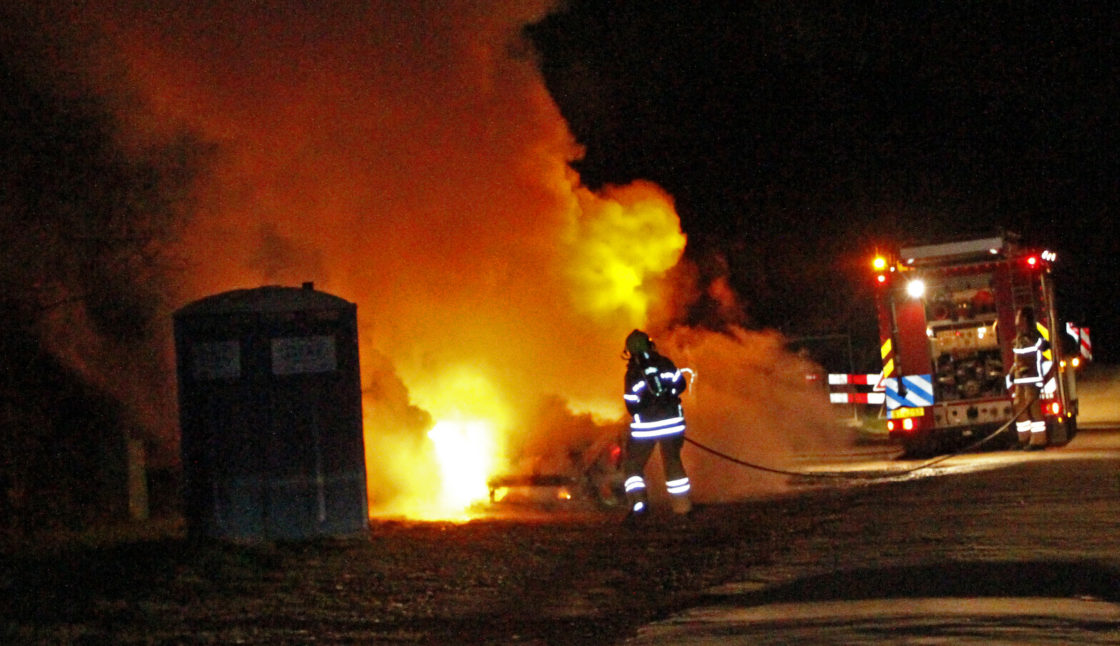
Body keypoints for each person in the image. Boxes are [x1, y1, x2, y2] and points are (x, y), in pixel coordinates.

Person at [620, 329, 692, 520]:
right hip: (673, 424)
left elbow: (631, 405)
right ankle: (682, 508)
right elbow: (681, 385)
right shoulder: (665, 363)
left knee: (633, 465)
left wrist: (646, 410)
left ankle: (639, 506)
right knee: (673, 462)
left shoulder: (632, 374)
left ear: (629, 351)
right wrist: (667, 398)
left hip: (645, 429)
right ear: (650, 344)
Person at [1009, 306, 1052, 450]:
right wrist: (1012, 371)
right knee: (1019, 406)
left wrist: (1043, 344)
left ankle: (1038, 441)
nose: (1016, 319)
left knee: (1034, 409)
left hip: (1032, 379)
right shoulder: (1019, 338)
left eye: (1018, 316)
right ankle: (1024, 438)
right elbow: (1019, 358)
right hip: (1020, 380)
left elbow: (1042, 348)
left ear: (1024, 319)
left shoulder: (1034, 337)